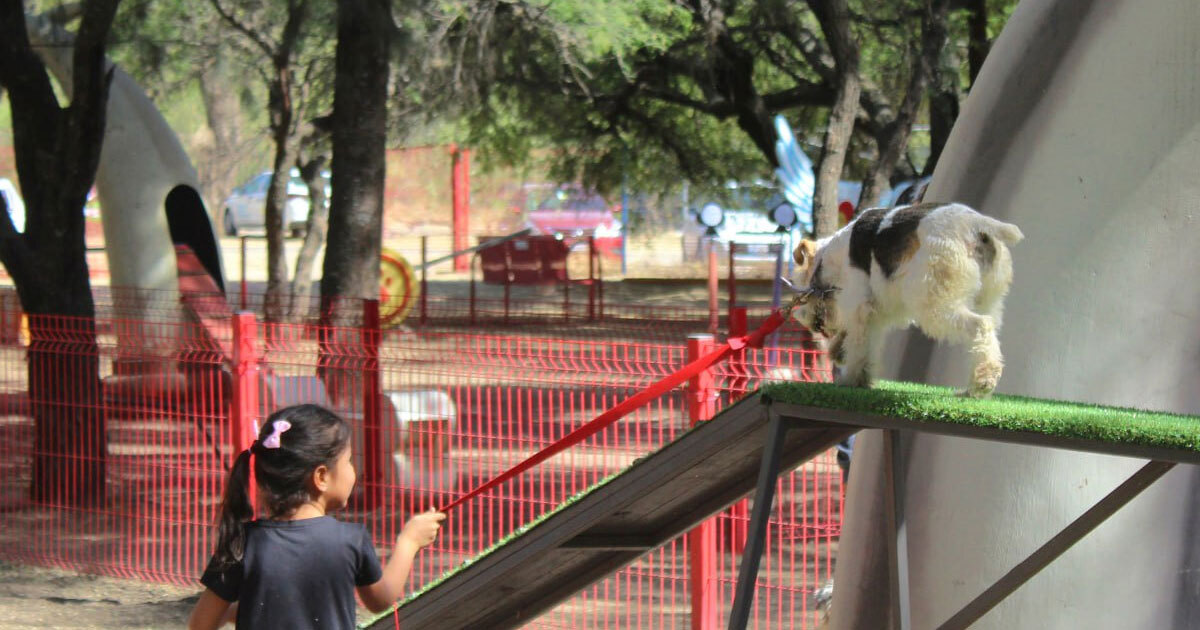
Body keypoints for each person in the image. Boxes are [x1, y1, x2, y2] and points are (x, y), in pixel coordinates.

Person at [187, 404, 445, 629]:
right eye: (349, 462)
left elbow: (201, 624)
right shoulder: (349, 540)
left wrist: (236, 612)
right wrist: (409, 542)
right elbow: (381, 600)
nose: (354, 471)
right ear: (321, 477)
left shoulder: (243, 543)